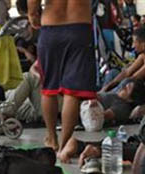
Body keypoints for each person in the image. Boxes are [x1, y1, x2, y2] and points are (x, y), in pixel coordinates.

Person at [28, 0, 96, 154]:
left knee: (49, 88)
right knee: (72, 91)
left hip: (51, 27)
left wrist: (32, 14)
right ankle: (64, 144)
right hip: (79, 27)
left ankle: (52, 139)